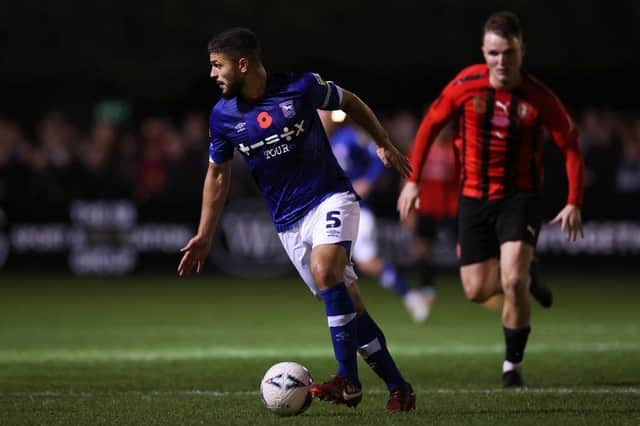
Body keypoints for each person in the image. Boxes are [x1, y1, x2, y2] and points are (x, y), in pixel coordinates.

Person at [177, 28, 415, 412]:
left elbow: (350, 102)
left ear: (243, 64)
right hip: (288, 222)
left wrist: (383, 142)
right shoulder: (222, 117)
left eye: (217, 65)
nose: (212, 74)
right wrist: (205, 233)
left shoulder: (301, 87)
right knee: (350, 308)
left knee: (326, 271)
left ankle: (347, 380)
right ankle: (399, 387)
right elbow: (217, 174)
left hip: (330, 196)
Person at [397, 11, 584, 388]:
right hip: (473, 199)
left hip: (521, 197)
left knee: (511, 279)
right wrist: (412, 180)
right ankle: (528, 274)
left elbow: (571, 146)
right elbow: (431, 124)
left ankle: (512, 366)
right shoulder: (466, 85)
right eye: (494, 53)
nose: (502, 61)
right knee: (476, 290)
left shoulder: (538, 97)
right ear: (484, 51)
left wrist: (574, 200)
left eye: (509, 53)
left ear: (521, 51)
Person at [319, 110, 434, 323]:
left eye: (325, 116)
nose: (323, 120)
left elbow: (378, 157)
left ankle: (409, 296)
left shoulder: (352, 137)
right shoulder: (324, 142)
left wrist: (367, 183)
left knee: (365, 262)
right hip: (336, 210)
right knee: (343, 264)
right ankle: (345, 310)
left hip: (358, 209)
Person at [404, 120, 460, 313]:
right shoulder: (419, 148)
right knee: (422, 251)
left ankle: (483, 285)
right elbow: (408, 178)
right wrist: (409, 208)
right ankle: (428, 290)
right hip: (425, 208)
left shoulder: (455, 148)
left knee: (465, 248)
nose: (444, 130)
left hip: (451, 209)